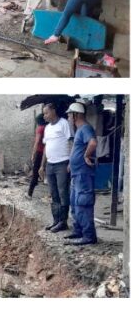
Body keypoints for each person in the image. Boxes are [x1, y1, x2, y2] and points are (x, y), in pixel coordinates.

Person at [64, 103, 98, 245]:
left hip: (83, 174)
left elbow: (93, 143)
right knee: (74, 203)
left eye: (69, 115)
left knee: (83, 204)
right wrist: (71, 163)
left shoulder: (85, 128)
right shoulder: (79, 130)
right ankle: (78, 231)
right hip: (77, 174)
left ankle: (89, 236)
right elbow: (77, 148)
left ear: (75, 115)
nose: (68, 117)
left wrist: (85, 156)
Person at [41, 103, 73, 233]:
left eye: (46, 113)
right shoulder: (47, 128)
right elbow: (46, 147)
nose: (44, 116)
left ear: (53, 111)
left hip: (62, 163)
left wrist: (71, 162)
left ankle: (63, 222)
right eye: (44, 113)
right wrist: (42, 165)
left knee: (63, 192)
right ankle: (56, 220)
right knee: (53, 193)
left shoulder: (64, 123)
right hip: (50, 164)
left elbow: (71, 142)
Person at [28, 113, 47, 197]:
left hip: (40, 152)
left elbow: (37, 142)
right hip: (48, 152)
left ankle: (30, 193)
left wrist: (33, 154)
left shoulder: (40, 128)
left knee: (35, 171)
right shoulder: (48, 127)